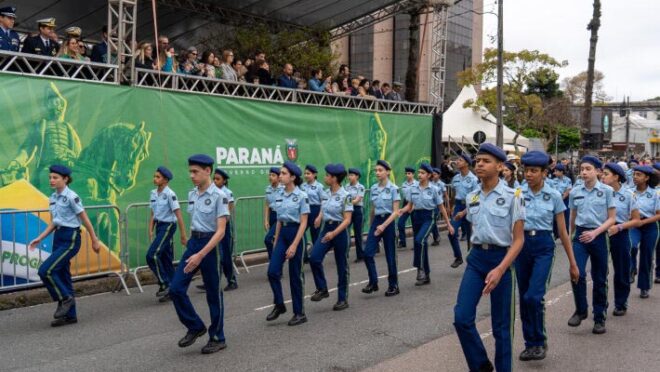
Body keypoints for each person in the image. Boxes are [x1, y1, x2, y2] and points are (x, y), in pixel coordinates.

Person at [453, 143, 525, 372]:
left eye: (486, 161)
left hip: (501, 259)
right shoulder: (472, 196)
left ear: (500, 166)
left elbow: (519, 240)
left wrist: (501, 269)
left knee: (501, 328)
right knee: (462, 318)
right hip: (476, 260)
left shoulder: (514, 195)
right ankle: (481, 366)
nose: (480, 164)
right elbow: (476, 229)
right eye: (478, 161)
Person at [516, 151, 579, 362]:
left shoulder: (553, 195)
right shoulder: (517, 193)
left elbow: (562, 232)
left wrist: (572, 263)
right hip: (521, 245)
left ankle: (540, 341)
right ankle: (530, 344)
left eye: (534, 171)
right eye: (526, 170)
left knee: (534, 296)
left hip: (543, 246)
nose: (529, 174)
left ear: (544, 172)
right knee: (524, 297)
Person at [168, 154, 229, 354]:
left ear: (207, 171)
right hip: (195, 242)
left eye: (195, 171)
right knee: (176, 288)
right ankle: (195, 326)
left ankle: (218, 337)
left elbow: (220, 231)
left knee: (213, 293)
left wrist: (201, 255)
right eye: (190, 171)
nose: (191, 175)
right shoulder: (192, 194)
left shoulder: (220, 196)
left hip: (210, 246)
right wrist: (190, 244)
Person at [28, 165, 101, 327]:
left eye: (55, 178)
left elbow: (84, 219)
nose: (51, 180)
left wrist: (94, 239)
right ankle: (70, 315)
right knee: (62, 274)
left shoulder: (72, 197)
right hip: (59, 236)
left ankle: (65, 298)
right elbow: (54, 222)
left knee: (45, 270)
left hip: (71, 238)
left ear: (65, 179)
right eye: (50, 177)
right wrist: (39, 238)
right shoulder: (53, 198)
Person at [567, 156, 616, 335]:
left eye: (588, 169)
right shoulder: (575, 192)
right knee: (576, 272)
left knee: (600, 278)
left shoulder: (607, 191)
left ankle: (599, 317)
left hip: (599, 235)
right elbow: (572, 216)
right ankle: (581, 310)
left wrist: (595, 233)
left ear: (598, 171)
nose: (584, 172)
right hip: (580, 235)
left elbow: (612, 218)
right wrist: (570, 235)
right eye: (582, 169)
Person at [266, 161, 309, 326]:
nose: (280, 176)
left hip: (296, 233)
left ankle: (299, 313)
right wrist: (276, 240)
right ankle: (279, 304)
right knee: (272, 271)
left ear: (292, 177)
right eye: (280, 173)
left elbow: (304, 223)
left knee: (295, 276)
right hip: (283, 233)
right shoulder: (279, 194)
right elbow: (278, 219)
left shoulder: (302, 196)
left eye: (283, 173)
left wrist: (294, 245)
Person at [399, 163, 454, 285]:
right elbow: (409, 205)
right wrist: (402, 210)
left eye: (422, 173)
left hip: (429, 217)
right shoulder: (413, 188)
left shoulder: (434, 189)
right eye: (418, 172)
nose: (419, 175)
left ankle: (420, 269)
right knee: (420, 244)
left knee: (419, 240)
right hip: (416, 217)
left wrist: (449, 224)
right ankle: (426, 274)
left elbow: (441, 207)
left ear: (429, 175)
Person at [309, 164, 353, 311]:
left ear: (334, 178)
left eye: (327, 175)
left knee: (342, 266)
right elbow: (324, 207)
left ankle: (342, 299)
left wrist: (334, 234)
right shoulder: (326, 193)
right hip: (326, 228)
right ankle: (322, 288)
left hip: (339, 230)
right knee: (314, 257)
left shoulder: (346, 195)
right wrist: (319, 217)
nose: (325, 177)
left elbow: (347, 219)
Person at [602, 162, 639, 316]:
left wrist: (619, 227)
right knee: (600, 271)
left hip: (620, 233)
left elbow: (636, 220)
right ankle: (601, 304)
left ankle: (621, 303)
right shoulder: (601, 192)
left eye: (606, 174)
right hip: (602, 232)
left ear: (616, 177)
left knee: (621, 270)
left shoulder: (629, 195)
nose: (602, 177)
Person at [147, 166, 187, 303]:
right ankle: (174, 289)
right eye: (154, 176)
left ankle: (164, 282)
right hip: (159, 226)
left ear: (165, 180)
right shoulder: (153, 193)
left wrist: (183, 234)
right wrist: (150, 229)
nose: (154, 179)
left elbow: (178, 214)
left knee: (151, 255)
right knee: (165, 259)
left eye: (157, 177)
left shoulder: (170, 194)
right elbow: (153, 213)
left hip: (169, 225)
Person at [362, 160, 401, 297]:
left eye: (380, 170)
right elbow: (373, 209)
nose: (377, 173)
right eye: (376, 170)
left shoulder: (393, 189)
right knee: (367, 253)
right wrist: (371, 227)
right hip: (377, 222)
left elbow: (396, 212)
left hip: (388, 222)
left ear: (388, 172)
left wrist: (383, 226)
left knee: (390, 256)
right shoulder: (373, 188)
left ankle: (393, 285)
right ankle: (373, 282)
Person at [629, 165, 660, 297]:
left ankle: (644, 286)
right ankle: (631, 269)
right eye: (634, 174)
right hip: (633, 225)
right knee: (631, 246)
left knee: (646, 256)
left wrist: (643, 222)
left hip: (650, 226)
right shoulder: (629, 192)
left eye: (639, 175)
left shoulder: (655, 194)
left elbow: (659, 214)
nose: (635, 177)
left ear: (647, 178)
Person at [448, 153, 479, 268]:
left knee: (471, 237)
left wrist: (464, 212)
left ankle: (472, 262)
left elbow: (475, 200)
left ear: (466, 163)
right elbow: (454, 193)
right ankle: (458, 257)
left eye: (460, 160)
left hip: (470, 208)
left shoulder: (474, 179)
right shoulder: (455, 178)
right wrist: (451, 207)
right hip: (457, 207)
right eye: (457, 160)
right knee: (451, 232)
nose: (457, 162)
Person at [301, 164, 324, 261]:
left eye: (308, 173)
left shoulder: (319, 186)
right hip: (305, 211)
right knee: (301, 232)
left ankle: (317, 257)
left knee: (315, 236)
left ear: (314, 175)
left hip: (315, 211)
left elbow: (323, 201)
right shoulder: (302, 186)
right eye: (305, 173)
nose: (306, 175)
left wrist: (319, 217)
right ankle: (305, 255)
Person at [345, 168, 365, 262]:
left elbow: (357, 200)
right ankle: (345, 253)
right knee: (345, 232)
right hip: (348, 211)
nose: (350, 177)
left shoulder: (360, 187)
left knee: (358, 234)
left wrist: (347, 202)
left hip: (357, 211)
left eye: (352, 175)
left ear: (357, 176)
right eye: (349, 175)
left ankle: (360, 255)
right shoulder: (346, 187)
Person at [397, 166, 418, 249]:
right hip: (406, 204)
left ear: (413, 174)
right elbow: (404, 196)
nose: (407, 175)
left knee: (415, 225)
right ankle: (402, 242)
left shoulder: (417, 184)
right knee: (400, 223)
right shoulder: (404, 184)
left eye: (409, 173)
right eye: (406, 173)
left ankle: (416, 243)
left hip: (415, 204)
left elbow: (417, 196)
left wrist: (413, 206)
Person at [264, 167, 282, 259]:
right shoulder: (268, 189)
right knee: (274, 240)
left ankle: (273, 260)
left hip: (280, 217)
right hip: (272, 216)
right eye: (270, 175)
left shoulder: (283, 189)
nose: (270, 177)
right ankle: (276, 262)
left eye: (273, 175)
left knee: (268, 239)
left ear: (279, 177)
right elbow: (267, 205)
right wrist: (266, 220)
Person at [552, 163, 572, 238]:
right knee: (555, 218)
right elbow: (552, 191)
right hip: (556, 201)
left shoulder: (567, 180)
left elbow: (568, 190)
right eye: (555, 171)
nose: (555, 172)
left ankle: (565, 235)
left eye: (557, 171)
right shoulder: (553, 180)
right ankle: (556, 234)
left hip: (565, 200)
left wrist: (562, 198)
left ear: (561, 172)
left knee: (565, 217)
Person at [429, 168, 447, 246]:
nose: (434, 175)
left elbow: (445, 195)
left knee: (433, 222)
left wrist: (447, 207)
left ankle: (436, 237)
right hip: (431, 205)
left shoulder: (442, 184)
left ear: (439, 175)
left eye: (435, 174)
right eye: (433, 174)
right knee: (432, 222)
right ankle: (436, 236)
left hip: (438, 205)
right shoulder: (430, 183)